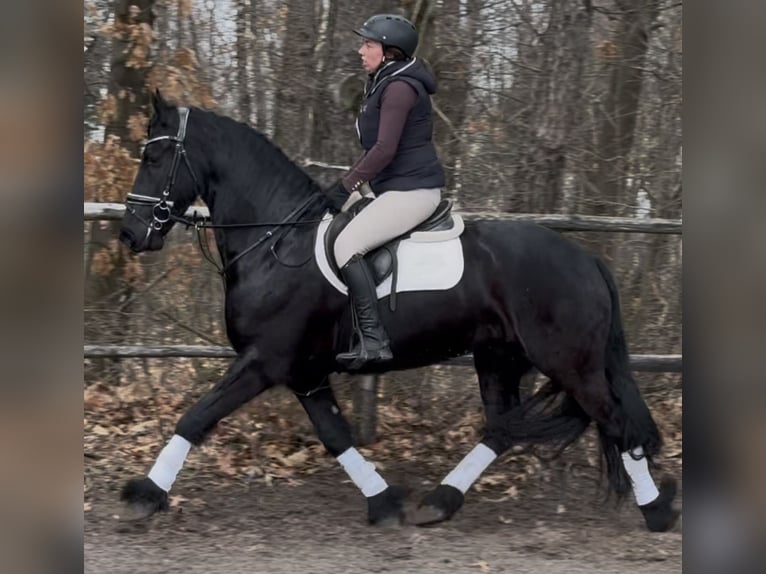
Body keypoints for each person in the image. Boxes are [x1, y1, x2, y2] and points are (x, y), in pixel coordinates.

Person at [323, 13, 446, 370]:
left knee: (347, 246)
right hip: (393, 189)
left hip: (413, 193)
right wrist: (343, 189)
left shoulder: (399, 88)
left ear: (389, 52)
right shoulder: (384, 81)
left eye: (368, 45)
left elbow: (384, 150)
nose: (360, 50)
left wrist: (346, 185)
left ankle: (374, 340)